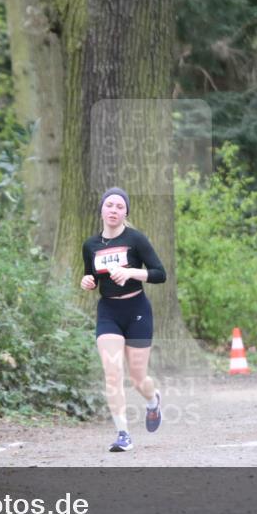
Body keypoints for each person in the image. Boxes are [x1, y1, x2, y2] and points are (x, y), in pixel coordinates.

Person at [80, 188, 166, 452]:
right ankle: (123, 434)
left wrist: (130, 273)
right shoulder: (90, 245)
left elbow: (159, 274)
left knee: (139, 379)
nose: (114, 210)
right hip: (108, 313)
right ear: (102, 210)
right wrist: (87, 282)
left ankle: (153, 401)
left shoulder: (136, 239)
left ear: (126, 212)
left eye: (119, 206)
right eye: (109, 205)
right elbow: (91, 277)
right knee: (112, 374)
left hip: (137, 309)